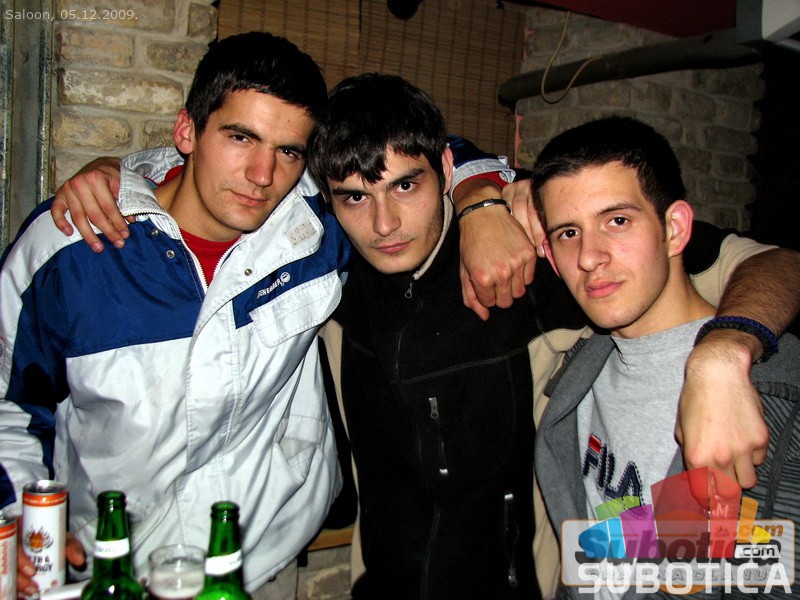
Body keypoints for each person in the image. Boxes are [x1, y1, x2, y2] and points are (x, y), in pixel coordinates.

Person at [47, 77, 800, 597]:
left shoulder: (543, 258)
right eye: (354, 198)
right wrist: (124, 173)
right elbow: (228, 180)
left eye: (406, 186)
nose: (384, 223)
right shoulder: (323, 274)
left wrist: (725, 350)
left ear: (444, 169)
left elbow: (768, 261)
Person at [532, 116, 800, 598]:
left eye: (617, 221)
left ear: (674, 229)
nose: (590, 257)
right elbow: (604, 539)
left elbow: (775, 565)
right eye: (569, 233)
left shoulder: (767, 396)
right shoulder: (584, 368)